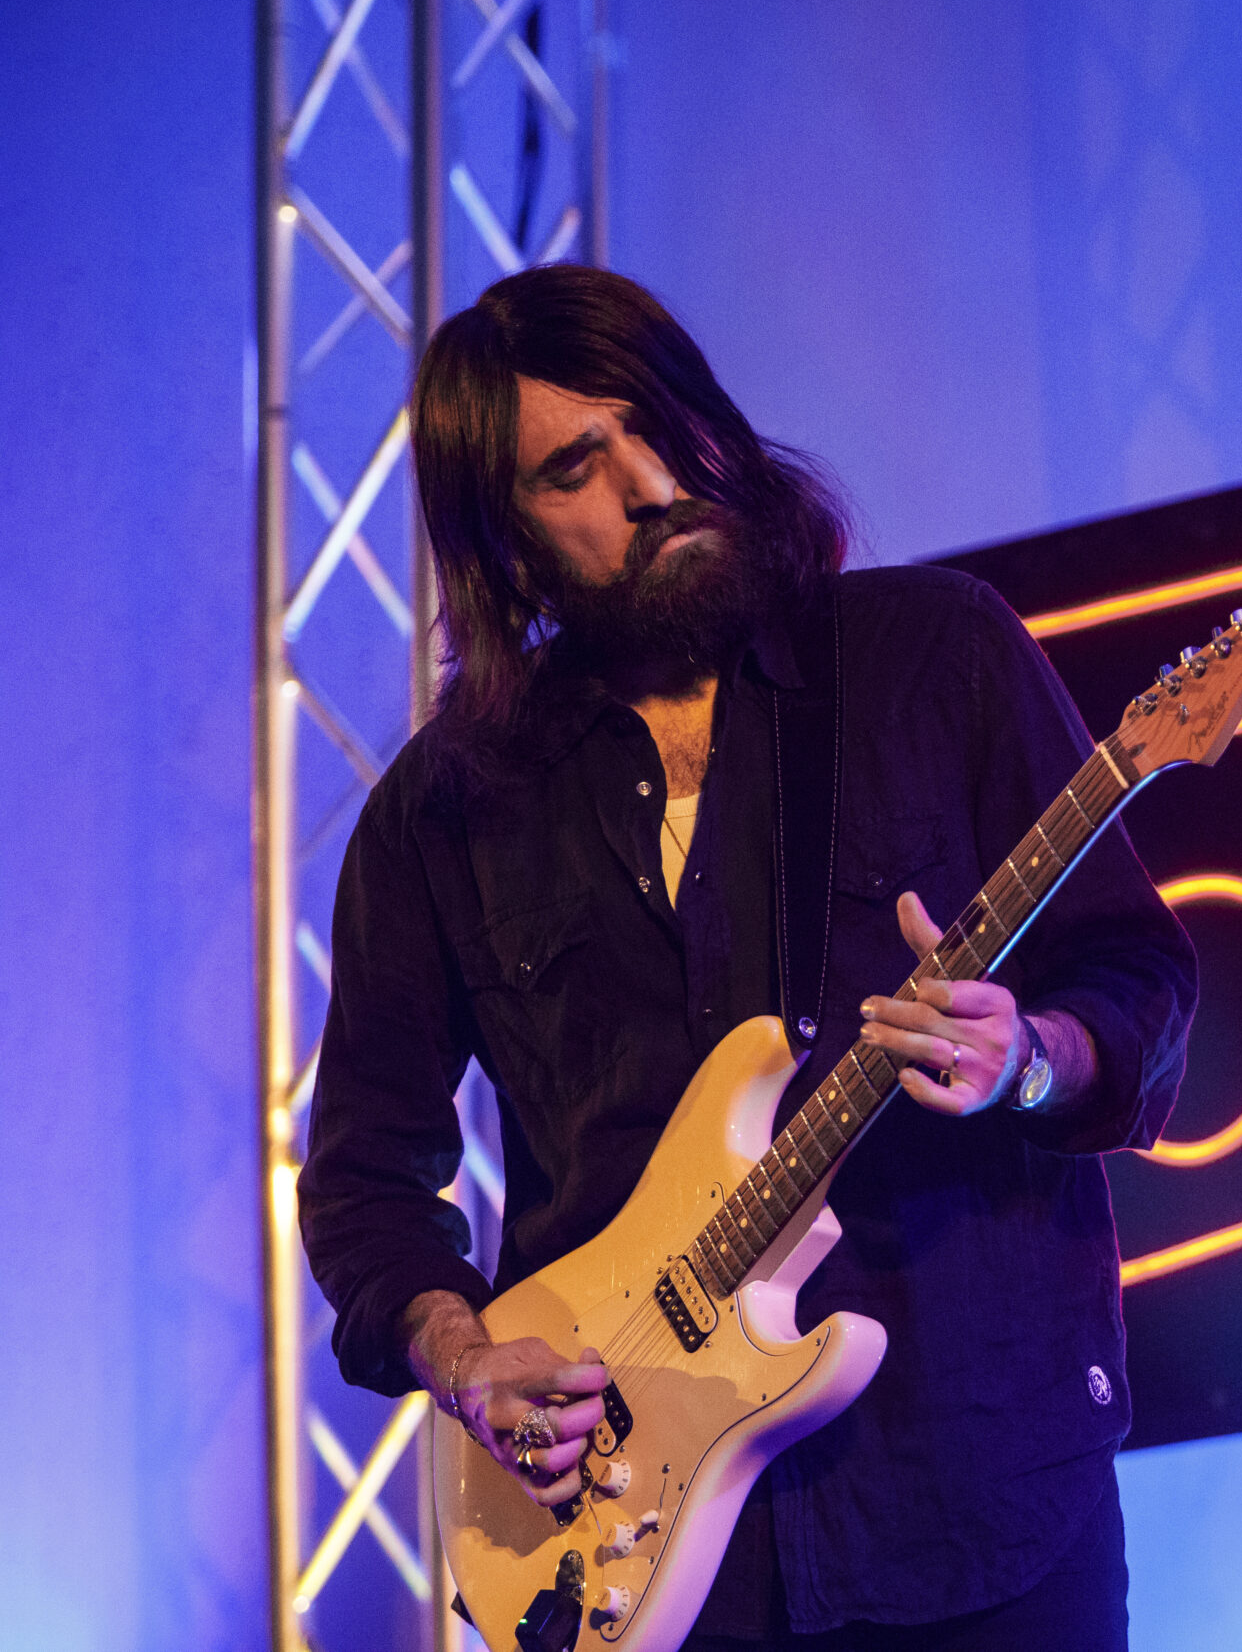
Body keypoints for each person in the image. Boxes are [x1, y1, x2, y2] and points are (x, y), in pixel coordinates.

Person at [298, 264, 1196, 1650]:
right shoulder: (444, 813)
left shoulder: (934, 656)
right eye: (575, 469)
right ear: (506, 545)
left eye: (657, 423)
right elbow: (364, 1180)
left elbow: (1137, 983)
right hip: (635, 1546)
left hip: (972, 1496)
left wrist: (1026, 1058)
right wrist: (467, 1359)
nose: (653, 484)